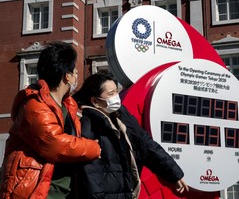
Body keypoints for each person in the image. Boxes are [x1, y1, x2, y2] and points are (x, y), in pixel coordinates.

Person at [0, 41, 101, 199]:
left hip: (63, 191)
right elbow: (55, 144)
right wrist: (93, 148)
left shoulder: (68, 106)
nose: (76, 76)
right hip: (36, 191)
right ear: (67, 76)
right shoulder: (35, 104)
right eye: (75, 71)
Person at [73, 70, 189, 199]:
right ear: (95, 101)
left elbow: (146, 144)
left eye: (116, 91)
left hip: (128, 193)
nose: (116, 97)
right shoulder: (88, 127)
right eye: (111, 93)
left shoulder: (123, 117)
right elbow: (90, 175)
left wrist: (174, 173)